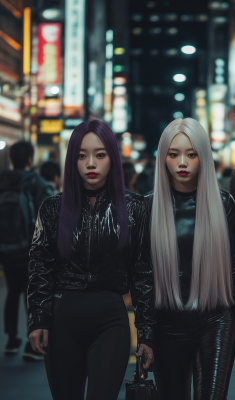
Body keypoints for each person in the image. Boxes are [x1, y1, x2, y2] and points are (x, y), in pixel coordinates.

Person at [27, 120, 155, 400]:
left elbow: (143, 272)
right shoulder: (52, 208)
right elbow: (40, 266)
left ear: (113, 157)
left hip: (111, 321)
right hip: (62, 322)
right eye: (81, 155)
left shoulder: (134, 208)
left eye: (100, 154)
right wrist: (38, 320)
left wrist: (146, 335)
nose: (90, 163)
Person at [146, 118, 235, 400]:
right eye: (174, 154)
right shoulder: (147, 207)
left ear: (203, 157)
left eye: (191, 154)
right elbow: (141, 277)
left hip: (215, 321)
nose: (182, 162)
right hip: (166, 326)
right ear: (163, 159)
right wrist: (144, 337)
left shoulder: (222, 204)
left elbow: (234, 273)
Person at [0, 140, 54, 361]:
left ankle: (11, 340)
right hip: (32, 250)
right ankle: (33, 345)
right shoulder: (38, 183)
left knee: (13, 291)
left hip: (5, 249)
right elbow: (50, 221)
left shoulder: (2, 181)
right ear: (30, 158)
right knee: (31, 294)